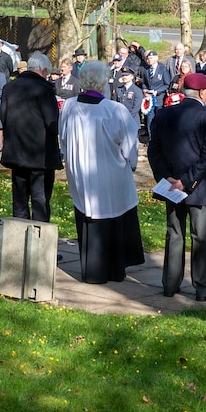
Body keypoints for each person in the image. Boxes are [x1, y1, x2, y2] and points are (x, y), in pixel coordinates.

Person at [146, 72, 206, 301]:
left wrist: (167, 179)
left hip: (171, 186)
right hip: (198, 188)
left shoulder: (164, 114)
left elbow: (153, 150)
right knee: (201, 238)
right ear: (201, 92)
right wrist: (186, 181)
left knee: (174, 235)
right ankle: (202, 288)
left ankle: (170, 285)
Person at [59, 61, 144, 283]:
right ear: (103, 82)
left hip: (80, 173)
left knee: (89, 217)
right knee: (113, 219)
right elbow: (129, 145)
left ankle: (93, 271)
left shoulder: (69, 106)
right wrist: (130, 162)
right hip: (109, 174)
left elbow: (64, 138)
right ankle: (115, 270)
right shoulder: (115, 109)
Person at [0, 52, 61, 221]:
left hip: (16, 152)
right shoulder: (44, 89)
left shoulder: (9, 87)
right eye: (47, 72)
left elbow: (3, 117)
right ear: (43, 70)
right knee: (39, 199)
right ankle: (39, 241)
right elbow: (52, 123)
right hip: (39, 155)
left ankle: (18, 239)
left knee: (19, 200)